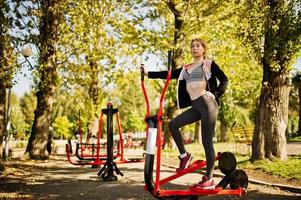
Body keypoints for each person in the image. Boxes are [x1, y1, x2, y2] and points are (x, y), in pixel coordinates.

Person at [140, 38, 228, 189]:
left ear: (203, 49)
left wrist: (215, 93)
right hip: (196, 106)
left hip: (208, 104)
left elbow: (224, 80)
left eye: (198, 46)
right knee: (173, 124)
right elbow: (167, 74)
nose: (195, 48)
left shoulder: (208, 64)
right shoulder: (185, 68)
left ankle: (209, 179)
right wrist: (147, 73)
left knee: (206, 142)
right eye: (193, 46)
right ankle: (184, 155)